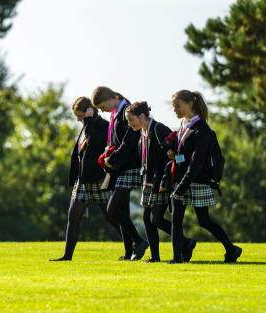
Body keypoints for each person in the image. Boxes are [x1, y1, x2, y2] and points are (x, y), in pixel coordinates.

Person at [164, 90, 242, 264]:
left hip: (196, 180)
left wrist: (182, 185)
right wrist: (172, 153)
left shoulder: (202, 128)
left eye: (178, 106)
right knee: (176, 219)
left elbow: (197, 162)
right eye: (173, 106)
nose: (175, 110)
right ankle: (177, 258)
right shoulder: (183, 126)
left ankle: (232, 249)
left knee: (204, 220)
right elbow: (182, 154)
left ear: (190, 104)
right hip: (180, 179)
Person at [50, 97, 122, 261]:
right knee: (73, 216)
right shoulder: (86, 126)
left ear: (90, 112)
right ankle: (67, 256)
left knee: (111, 216)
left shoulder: (103, 126)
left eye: (80, 116)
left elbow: (93, 140)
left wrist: (88, 121)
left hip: (98, 179)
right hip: (82, 180)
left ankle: (135, 245)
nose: (78, 120)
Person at [125, 101, 197, 263]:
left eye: (131, 120)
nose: (129, 125)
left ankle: (185, 242)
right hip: (147, 181)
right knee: (146, 218)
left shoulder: (159, 129)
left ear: (142, 116)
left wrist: (164, 180)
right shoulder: (141, 133)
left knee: (155, 219)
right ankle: (155, 257)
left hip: (160, 182)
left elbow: (171, 154)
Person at [91, 87, 149, 261]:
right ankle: (128, 251)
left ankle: (139, 242)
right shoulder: (116, 113)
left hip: (129, 164)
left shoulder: (127, 110)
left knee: (113, 209)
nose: (102, 111)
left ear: (109, 99)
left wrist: (112, 157)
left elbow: (129, 142)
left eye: (102, 107)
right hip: (118, 166)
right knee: (122, 210)